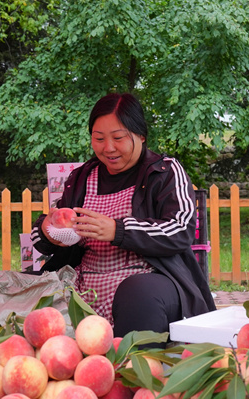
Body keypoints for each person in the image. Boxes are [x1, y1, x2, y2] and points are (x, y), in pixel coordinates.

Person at [30, 92, 215, 338]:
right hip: (84, 282)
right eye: (99, 139)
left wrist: (118, 230)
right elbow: (44, 239)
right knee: (25, 290)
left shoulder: (165, 172)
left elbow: (180, 230)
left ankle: (135, 368)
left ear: (141, 135)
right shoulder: (81, 178)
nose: (108, 148)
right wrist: (49, 230)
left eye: (118, 138)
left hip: (151, 280)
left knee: (138, 292)